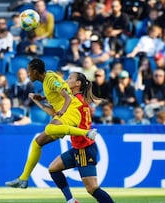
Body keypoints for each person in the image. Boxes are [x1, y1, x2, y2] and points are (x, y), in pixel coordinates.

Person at [5, 58, 97, 188]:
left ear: (36, 72)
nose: (28, 74)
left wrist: (61, 112)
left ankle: (87, 133)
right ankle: (23, 179)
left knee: (49, 128)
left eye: (29, 72)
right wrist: (40, 99)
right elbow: (53, 107)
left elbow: (67, 97)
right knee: (37, 142)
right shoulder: (47, 80)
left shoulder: (50, 79)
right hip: (66, 112)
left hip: (72, 110)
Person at [48, 72, 115, 203]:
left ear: (78, 84)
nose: (67, 80)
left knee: (92, 188)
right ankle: (71, 200)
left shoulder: (75, 101)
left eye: (70, 78)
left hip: (84, 148)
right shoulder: (77, 99)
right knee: (53, 168)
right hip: (78, 148)